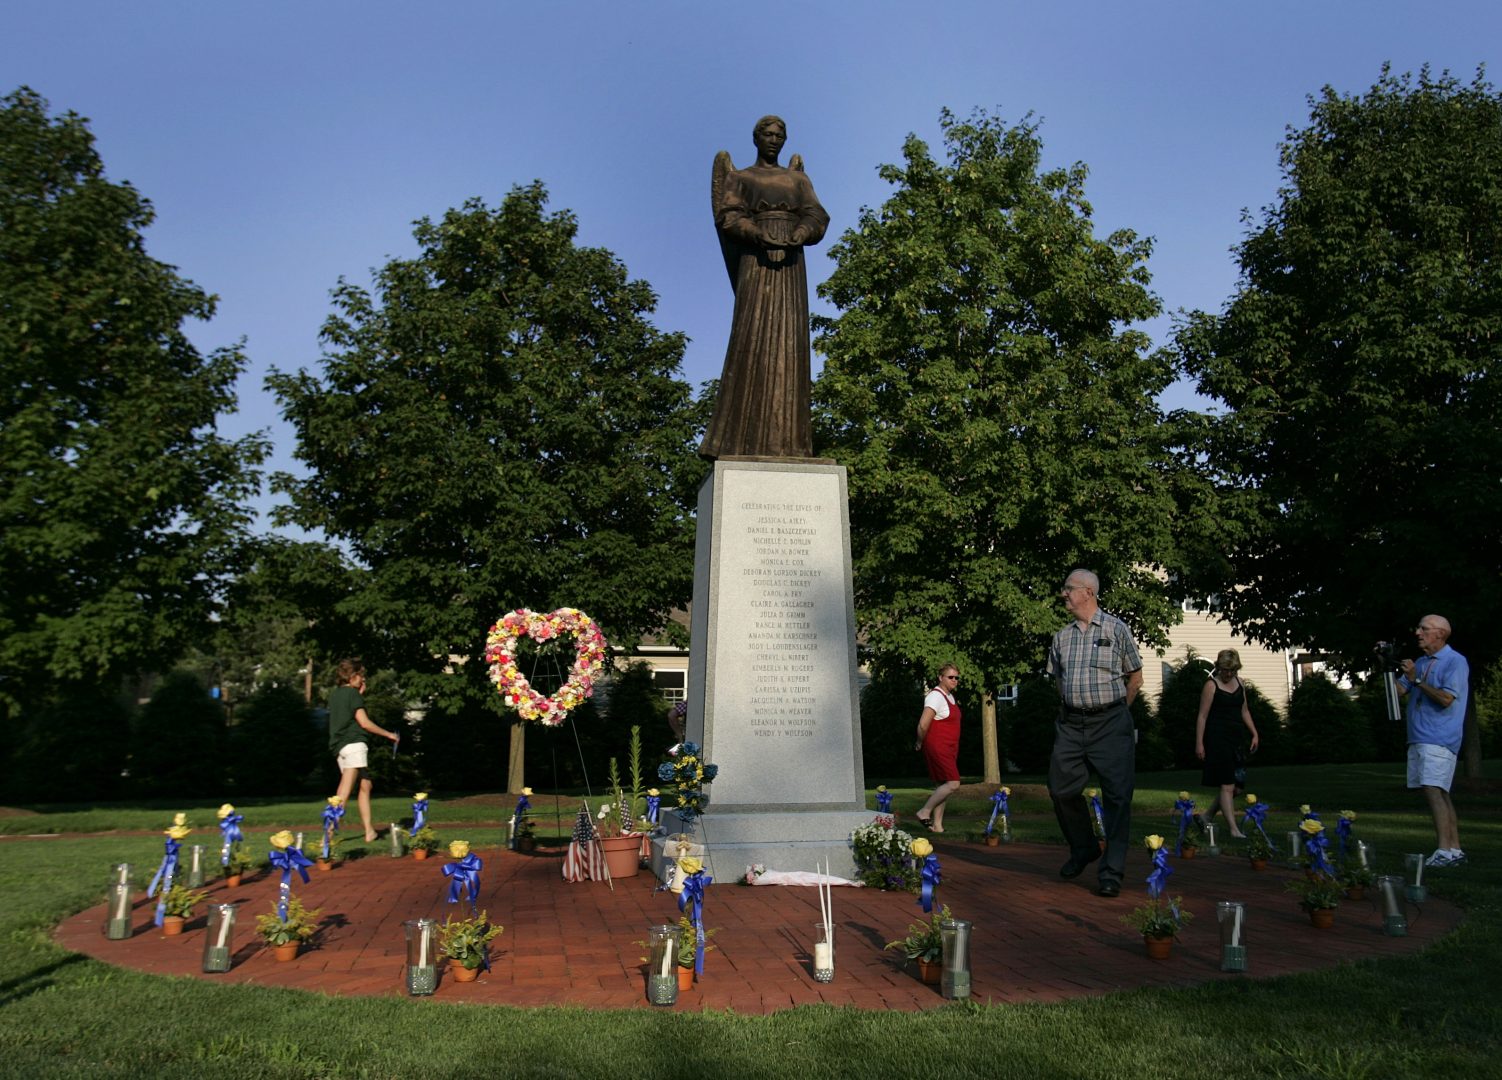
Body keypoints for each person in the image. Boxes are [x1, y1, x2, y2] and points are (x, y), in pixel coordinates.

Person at [700, 115, 830, 459]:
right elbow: (727, 216)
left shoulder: (797, 179)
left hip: (790, 267)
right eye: (767, 135)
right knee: (750, 339)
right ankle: (736, 442)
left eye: (778, 136)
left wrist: (801, 232)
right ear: (756, 139)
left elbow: (817, 215)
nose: (773, 140)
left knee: (792, 345)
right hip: (757, 265)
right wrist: (757, 233)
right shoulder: (740, 177)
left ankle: (791, 443)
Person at [1046, 569, 1143, 898]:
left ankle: (1111, 872)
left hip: (1111, 724)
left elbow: (1136, 677)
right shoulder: (1061, 637)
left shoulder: (1117, 629)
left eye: (1068, 589)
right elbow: (1058, 679)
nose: (1064, 594)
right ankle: (1085, 847)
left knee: (1117, 797)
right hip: (1072, 725)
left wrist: (1119, 714)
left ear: (1088, 592)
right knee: (1060, 789)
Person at [1397, 615, 1470, 867]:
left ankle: (1444, 850)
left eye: (1424, 629)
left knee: (1434, 790)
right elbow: (1399, 690)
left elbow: (1447, 698)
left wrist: (1417, 679)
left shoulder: (1455, 661)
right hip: (1419, 736)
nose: (1418, 632)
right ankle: (1454, 850)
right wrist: (1386, 664)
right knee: (1439, 791)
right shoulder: (1421, 661)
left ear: (1439, 634)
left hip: (1439, 736)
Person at [327, 659, 400, 843]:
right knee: (343, 792)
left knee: (366, 784)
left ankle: (369, 831)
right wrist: (389, 735)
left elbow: (344, 714)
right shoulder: (354, 695)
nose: (363, 679)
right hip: (354, 745)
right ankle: (327, 835)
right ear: (353, 676)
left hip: (340, 747)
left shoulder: (336, 695)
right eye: (361, 676)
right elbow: (364, 723)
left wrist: (359, 694)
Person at [1194, 649, 1260, 838]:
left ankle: (1206, 816)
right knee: (1227, 784)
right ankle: (1233, 829)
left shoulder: (1240, 684)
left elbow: (1244, 710)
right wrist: (1199, 743)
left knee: (1237, 787)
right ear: (1219, 668)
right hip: (1217, 739)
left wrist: (1254, 733)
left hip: (1236, 739)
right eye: (1224, 670)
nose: (1228, 674)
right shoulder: (1211, 685)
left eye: (1231, 671)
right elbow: (1202, 715)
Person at [914, 664, 963, 832]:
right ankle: (924, 811)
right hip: (938, 745)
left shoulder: (949, 697)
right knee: (953, 783)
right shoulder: (935, 697)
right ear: (940, 677)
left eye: (956, 677)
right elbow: (923, 724)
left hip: (950, 747)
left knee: (942, 785)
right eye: (951, 677)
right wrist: (920, 742)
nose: (954, 680)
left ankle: (938, 826)